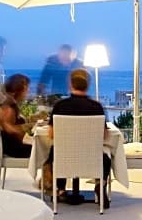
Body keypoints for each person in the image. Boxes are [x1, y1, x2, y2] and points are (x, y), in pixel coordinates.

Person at [48, 69, 111, 207]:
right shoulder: (96, 107)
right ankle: (100, 184)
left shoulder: (60, 106)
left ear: (70, 84)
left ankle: (60, 189)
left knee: (53, 152)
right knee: (106, 159)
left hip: (64, 157)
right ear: (87, 85)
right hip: (91, 157)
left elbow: (51, 135)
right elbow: (104, 136)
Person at [0, 74, 32, 160]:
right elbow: (9, 128)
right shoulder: (8, 107)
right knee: (48, 151)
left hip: (14, 147)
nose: (28, 91)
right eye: (26, 89)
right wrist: (30, 139)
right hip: (14, 150)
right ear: (18, 89)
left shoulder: (8, 103)